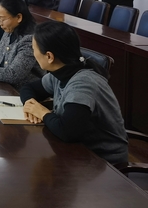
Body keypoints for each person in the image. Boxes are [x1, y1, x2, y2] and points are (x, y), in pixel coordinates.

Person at [20, 21, 128, 165]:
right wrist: (30, 104)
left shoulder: (83, 83)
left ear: (49, 56)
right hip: (79, 152)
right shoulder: (60, 72)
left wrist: (42, 112)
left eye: (34, 49)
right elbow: (28, 88)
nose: (33, 54)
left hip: (104, 163)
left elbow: (67, 132)